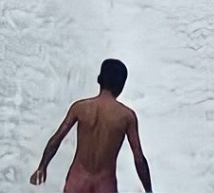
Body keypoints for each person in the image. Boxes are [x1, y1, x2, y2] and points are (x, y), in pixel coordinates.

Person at [31, 59, 151, 192]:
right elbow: (139, 158)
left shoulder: (80, 108)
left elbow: (57, 139)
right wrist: (149, 190)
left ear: (99, 79)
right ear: (121, 85)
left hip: (77, 180)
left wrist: (42, 167)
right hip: (105, 184)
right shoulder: (126, 116)